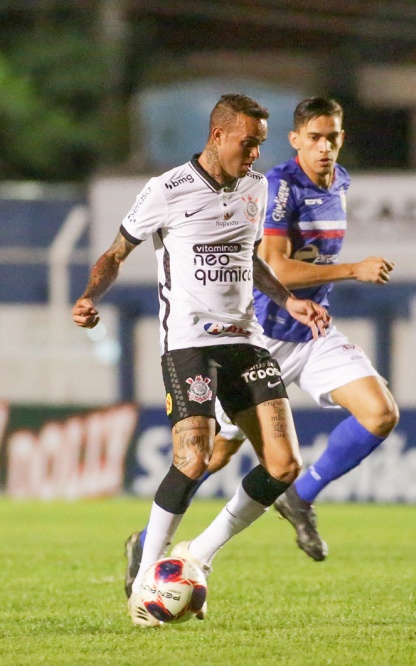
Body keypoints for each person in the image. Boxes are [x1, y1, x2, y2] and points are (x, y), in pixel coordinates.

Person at [73, 93, 331, 628]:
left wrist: (287, 300)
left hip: (247, 341)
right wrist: (91, 295)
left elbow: (251, 260)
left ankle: (198, 555)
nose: (256, 154)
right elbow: (115, 252)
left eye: (261, 143)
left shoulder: (257, 189)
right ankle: (147, 575)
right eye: (248, 142)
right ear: (218, 136)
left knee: (284, 466)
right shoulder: (166, 190)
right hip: (189, 344)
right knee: (193, 457)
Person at [123, 96, 398, 582]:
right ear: (296, 141)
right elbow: (276, 265)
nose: (325, 147)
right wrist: (353, 269)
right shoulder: (278, 187)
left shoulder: (342, 183)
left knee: (380, 413)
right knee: (212, 455)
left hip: (312, 333)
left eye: (332, 137)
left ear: (342, 138)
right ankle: (146, 544)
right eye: (314, 137)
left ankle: (291, 500)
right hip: (260, 338)